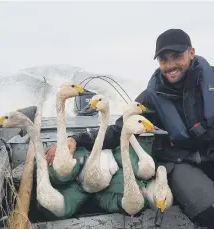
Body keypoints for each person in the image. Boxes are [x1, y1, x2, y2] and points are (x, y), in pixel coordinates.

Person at [45, 29, 214, 228]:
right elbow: (119, 130)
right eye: (163, 60)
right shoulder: (151, 97)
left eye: (177, 57)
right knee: (209, 211)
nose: (170, 66)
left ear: (191, 53)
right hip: (181, 162)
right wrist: (75, 139)